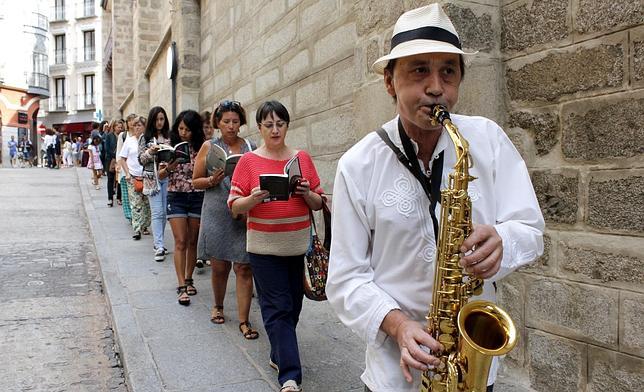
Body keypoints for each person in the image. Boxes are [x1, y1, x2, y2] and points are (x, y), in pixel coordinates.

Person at [325, 5, 545, 392]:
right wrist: (397, 324)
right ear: (390, 83)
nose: (436, 87)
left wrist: (503, 241)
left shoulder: (488, 140)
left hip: (471, 365)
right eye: (419, 70)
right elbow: (345, 279)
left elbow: (530, 230)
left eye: (448, 71)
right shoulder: (357, 165)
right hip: (395, 372)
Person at [229, 100, 324, 392]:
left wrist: (308, 193)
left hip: (298, 246)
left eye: (280, 124)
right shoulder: (248, 162)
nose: (275, 130)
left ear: (287, 125)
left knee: (294, 306)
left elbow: (319, 203)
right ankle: (290, 377)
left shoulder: (302, 158)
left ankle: (278, 353)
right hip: (263, 248)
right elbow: (234, 206)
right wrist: (253, 199)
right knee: (277, 308)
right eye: (268, 125)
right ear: (259, 127)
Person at [193, 100, 258, 338]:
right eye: (226, 121)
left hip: (242, 212)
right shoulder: (209, 147)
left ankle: (244, 320)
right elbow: (195, 180)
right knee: (219, 267)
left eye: (235, 121)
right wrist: (212, 180)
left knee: (244, 267)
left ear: (241, 121)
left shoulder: (251, 146)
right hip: (217, 210)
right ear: (218, 123)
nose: (231, 126)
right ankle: (218, 305)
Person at [158, 110, 205, 306]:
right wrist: (172, 164)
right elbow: (160, 175)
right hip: (176, 195)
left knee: (193, 241)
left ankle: (189, 278)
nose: (184, 132)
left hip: (196, 196)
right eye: (181, 128)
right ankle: (181, 286)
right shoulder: (169, 147)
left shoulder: (203, 147)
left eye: (188, 129)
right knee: (181, 241)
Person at [138, 106, 171, 261]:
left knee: (164, 212)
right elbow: (140, 160)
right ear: (152, 120)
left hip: (168, 178)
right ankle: (158, 246)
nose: (160, 122)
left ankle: (160, 242)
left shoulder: (169, 136)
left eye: (162, 119)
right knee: (157, 212)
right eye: (157, 119)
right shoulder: (145, 138)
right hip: (153, 179)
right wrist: (150, 151)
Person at [118, 116, 151, 239]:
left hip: (147, 176)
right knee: (136, 203)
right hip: (133, 176)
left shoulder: (148, 141)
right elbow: (122, 158)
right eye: (135, 125)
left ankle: (145, 226)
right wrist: (127, 173)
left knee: (146, 203)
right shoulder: (129, 141)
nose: (137, 127)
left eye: (140, 125)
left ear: (144, 127)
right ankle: (136, 229)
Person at [117, 114, 137, 220]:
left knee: (137, 194)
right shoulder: (123, 135)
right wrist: (118, 166)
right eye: (130, 121)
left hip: (136, 170)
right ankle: (130, 215)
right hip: (125, 170)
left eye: (134, 121)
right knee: (126, 194)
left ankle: (137, 216)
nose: (132, 123)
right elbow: (119, 151)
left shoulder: (140, 134)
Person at [104, 119, 119, 207]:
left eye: (121, 127)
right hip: (111, 160)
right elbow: (107, 148)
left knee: (120, 180)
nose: (119, 128)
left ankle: (119, 197)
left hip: (120, 160)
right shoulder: (109, 136)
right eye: (118, 127)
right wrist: (114, 155)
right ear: (114, 127)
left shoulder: (122, 135)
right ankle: (110, 198)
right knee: (110, 179)